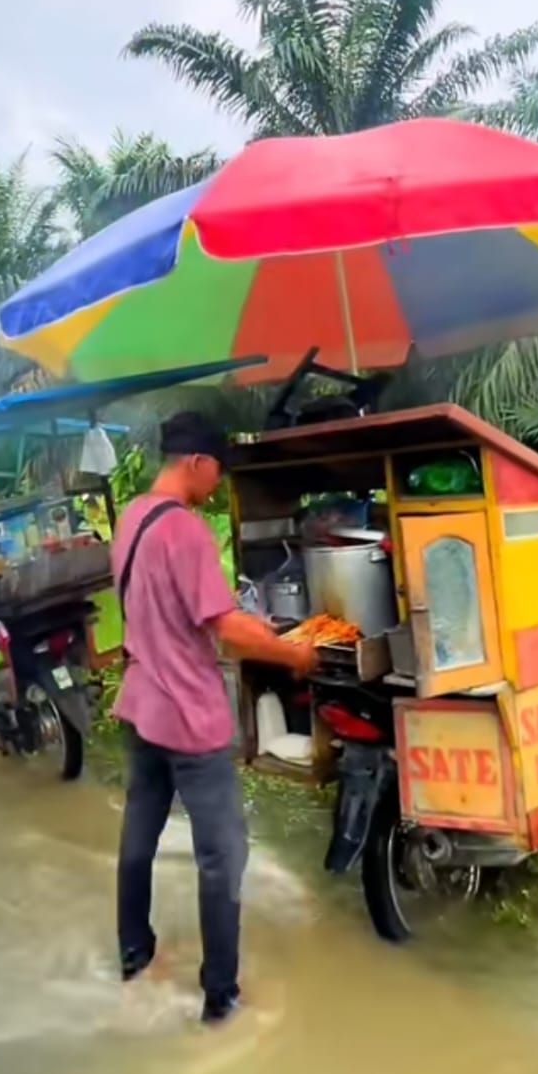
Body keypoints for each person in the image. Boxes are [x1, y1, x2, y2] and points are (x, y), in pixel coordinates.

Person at [112, 410, 317, 1024]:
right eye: (215, 471)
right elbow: (224, 626)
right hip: (188, 718)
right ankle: (221, 996)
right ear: (197, 462)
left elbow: (179, 613)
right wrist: (293, 651)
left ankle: (133, 955)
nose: (214, 485)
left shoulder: (131, 520)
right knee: (222, 855)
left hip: (141, 702)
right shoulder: (186, 531)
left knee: (138, 835)